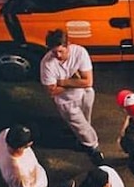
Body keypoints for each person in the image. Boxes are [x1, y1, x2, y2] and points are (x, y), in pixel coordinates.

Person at [40, 28, 105, 165]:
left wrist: (62, 82)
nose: (57, 55)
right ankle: (93, 148)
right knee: (82, 126)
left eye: (61, 51)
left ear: (68, 44)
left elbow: (88, 81)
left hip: (85, 93)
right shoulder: (47, 64)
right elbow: (51, 91)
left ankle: (79, 136)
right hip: (66, 101)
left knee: (85, 122)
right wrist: (75, 81)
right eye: (54, 52)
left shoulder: (80, 52)